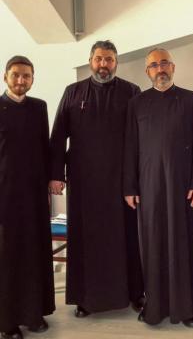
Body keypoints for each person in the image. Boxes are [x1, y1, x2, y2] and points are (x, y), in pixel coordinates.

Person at [49, 40, 144, 317]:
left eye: (109, 59)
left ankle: (134, 293)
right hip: (83, 182)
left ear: (116, 63)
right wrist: (55, 175)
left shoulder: (131, 92)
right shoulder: (73, 92)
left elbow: (140, 139)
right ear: (91, 61)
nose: (104, 64)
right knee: (85, 240)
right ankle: (85, 298)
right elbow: (58, 135)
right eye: (99, 59)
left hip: (121, 182)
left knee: (126, 237)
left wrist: (138, 180)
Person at [123, 48, 193, 327]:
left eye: (164, 64)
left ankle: (187, 309)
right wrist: (130, 186)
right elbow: (130, 147)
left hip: (184, 186)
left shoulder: (192, 100)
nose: (160, 69)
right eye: (154, 65)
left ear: (173, 67)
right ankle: (155, 307)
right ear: (147, 71)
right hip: (149, 186)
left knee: (184, 244)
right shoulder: (136, 104)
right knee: (153, 244)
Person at [0, 56, 55, 339]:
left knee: (35, 253)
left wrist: (51, 180)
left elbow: (46, 148)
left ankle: (34, 314)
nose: (21, 80)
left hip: (34, 195)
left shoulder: (39, 107)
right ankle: (7, 321)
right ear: (5, 77)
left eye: (27, 76)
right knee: (8, 258)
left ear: (33, 79)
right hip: (5, 196)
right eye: (16, 75)